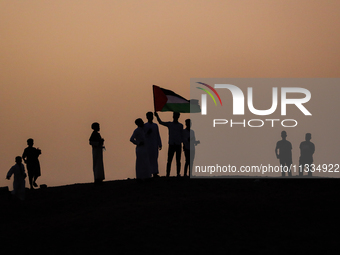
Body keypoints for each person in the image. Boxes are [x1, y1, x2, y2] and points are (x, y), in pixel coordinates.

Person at [154, 111, 183, 177]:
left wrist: (183, 144)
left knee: (178, 160)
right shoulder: (170, 124)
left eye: (177, 116)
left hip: (178, 144)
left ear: (178, 117)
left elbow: (182, 135)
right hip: (172, 144)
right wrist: (157, 116)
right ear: (173, 116)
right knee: (169, 160)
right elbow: (160, 122)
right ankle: (168, 174)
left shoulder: (180, 125)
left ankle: (178, 173)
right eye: (175, 115)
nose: (175, 117)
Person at [144, 112, 162, 178]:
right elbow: (143, 136)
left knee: (155, 159)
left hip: (154, 144)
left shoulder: (155, 125)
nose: (150, 117)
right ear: (147, 117)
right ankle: (148, 173)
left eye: (151, 116)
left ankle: (155, 172)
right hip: (148, 145)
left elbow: (158, 135)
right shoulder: (145, 126)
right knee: (148, 159)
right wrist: (147, 133)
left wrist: (159, 143)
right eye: (149, 116)